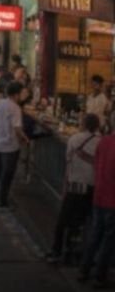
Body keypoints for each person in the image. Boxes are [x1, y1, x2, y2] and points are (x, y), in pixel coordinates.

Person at [47, 113, 101, 264]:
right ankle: (77, 253)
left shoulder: (73, 139)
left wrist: (65, 185)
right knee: (83, 222)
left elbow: (68, 164)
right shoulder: (101, 142)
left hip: (74, 186)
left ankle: (57, 250)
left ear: (83, 124)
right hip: (92, 187)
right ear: (97, 126)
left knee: (63, 221)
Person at [79, 112, 115, 288]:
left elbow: (97, 163)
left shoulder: (104, 141)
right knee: (109, 240)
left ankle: (84, 271)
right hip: (112, 199)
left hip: (98, 195)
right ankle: (101, 276)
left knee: (95, 235)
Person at [0, 81, 29, 209]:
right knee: (7, 174)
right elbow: (17, 128)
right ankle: (2, 201)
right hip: (10, 146)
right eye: (22, 93)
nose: (23, 95)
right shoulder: (15, 108)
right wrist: (25, 139)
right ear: (16, 94)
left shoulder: (0, 103)